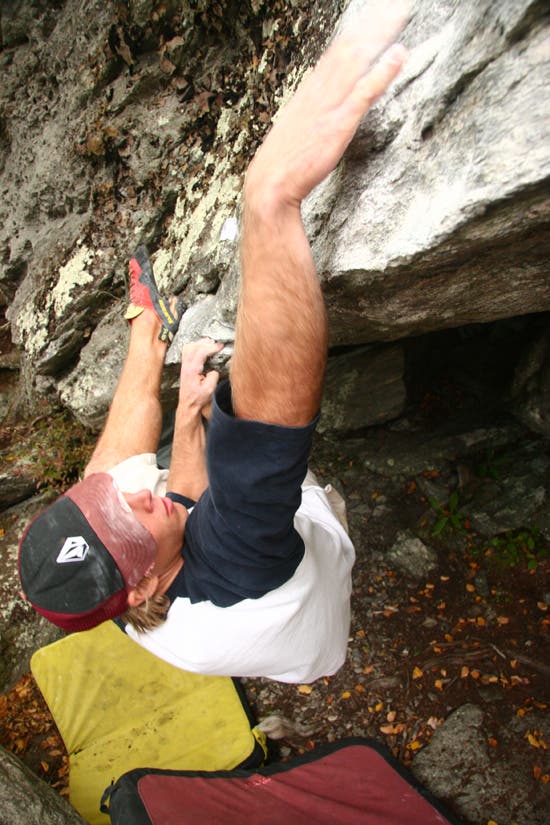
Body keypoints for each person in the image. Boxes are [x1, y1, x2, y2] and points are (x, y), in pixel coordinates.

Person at [18, 2, 408, 683]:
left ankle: (149, 337)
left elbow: (136, 501)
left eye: (102, 505)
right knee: (228, 461)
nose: (130, 498)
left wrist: (185, 407)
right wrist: (269, 199)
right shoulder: (232, 571)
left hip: (194, 546)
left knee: (138, 481)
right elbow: (265, 436)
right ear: (143, 591)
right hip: (310, 574)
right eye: (125, 523)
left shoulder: (124, 567)